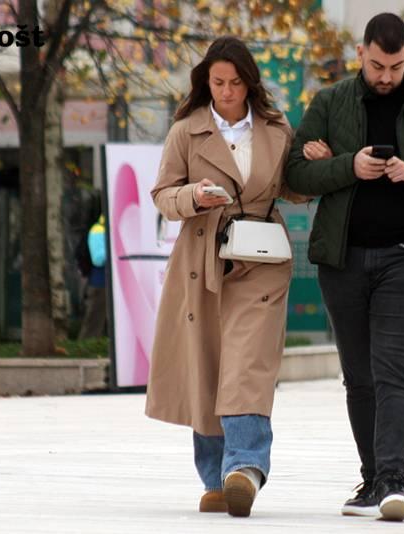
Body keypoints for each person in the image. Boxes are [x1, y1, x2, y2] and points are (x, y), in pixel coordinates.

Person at [285, 13, 404, 521]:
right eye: (376, 66)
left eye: (395, 66)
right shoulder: (329, 103)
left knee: (395, 371)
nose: (386, 76)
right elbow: (294, 175)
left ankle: (393, 479)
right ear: (360, 54)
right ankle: (371, 480)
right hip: (342, 259)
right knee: (359, 376)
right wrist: (348, 165)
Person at [145, 35, 312, 518]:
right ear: (206, 82)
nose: (227, 91)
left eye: (236, 82)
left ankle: (244, 467)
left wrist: (314, 166)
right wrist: (194, 196)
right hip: (203, 261)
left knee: (247, 364)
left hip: (261, 260)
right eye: (218, 82)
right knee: (210, 365)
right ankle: (216, 479)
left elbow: (292, 188)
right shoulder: (186, 131)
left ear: (249, 83)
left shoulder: (276, 128)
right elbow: (163, 195)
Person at [78, 214, 107, 339]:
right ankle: (86, 344)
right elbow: (98, 259)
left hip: (105, 281)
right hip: (100, 282)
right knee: (94, 321)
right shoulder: (98, 230)